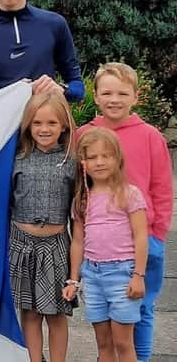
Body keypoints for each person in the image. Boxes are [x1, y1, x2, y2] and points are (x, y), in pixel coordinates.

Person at [76, 62, 173, 361]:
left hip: (144, 239)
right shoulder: (83, 135)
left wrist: (156, 235)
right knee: (107, 320)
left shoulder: (150, 135)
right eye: (106, 92)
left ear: (135, 96)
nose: (114, 99)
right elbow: (78, 188)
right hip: (101, 248)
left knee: (142, 308)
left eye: (122, 93)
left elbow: (162, 189)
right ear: (96, 95)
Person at [64, 127, 148, 362]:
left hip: (122, 276)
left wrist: (138, 275)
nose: (99, 162)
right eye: (92, 157)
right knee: (104, 344)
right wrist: (74, 279)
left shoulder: (129, 194)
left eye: (106, 156)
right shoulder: (82, 200)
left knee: (123, 343)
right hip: (92, 276)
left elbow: (141, 236)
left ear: (117, 158)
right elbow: (78, 241)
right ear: (83, 163)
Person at [9, 92, 76, 362]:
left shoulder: (72, 160)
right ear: (28, 124)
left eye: (51, 123)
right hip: (21, 243)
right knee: (30, 311)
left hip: (56, 244)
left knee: (57, 312)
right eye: (37, 123)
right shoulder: (17, 157)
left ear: (64, 126)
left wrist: (76, 268)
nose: (44, 129)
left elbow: (79, 210)